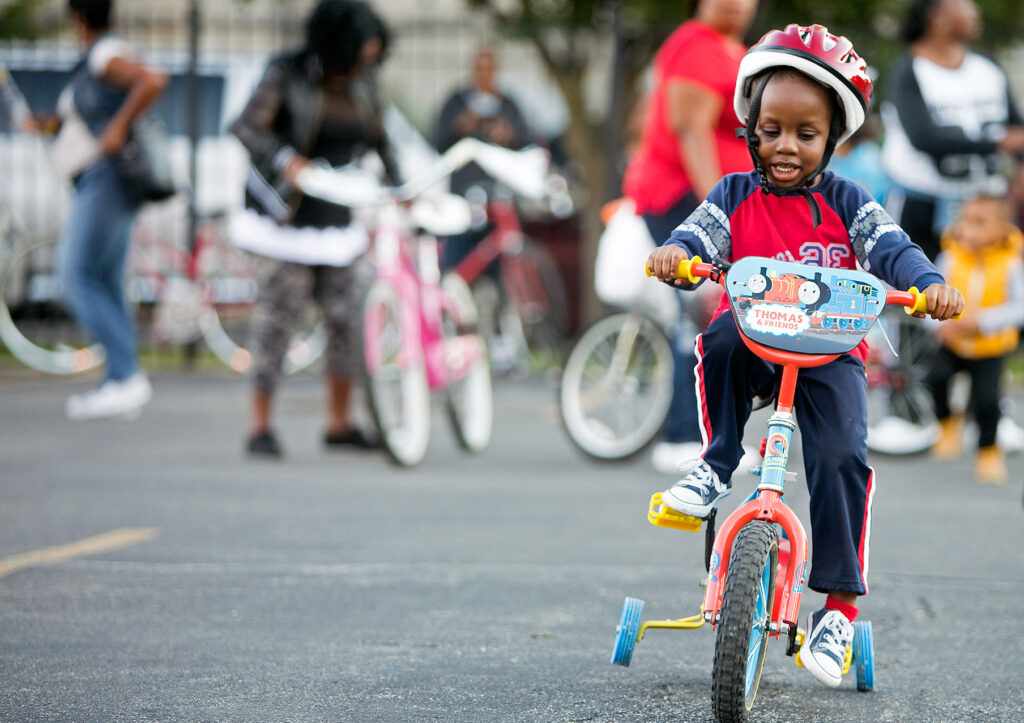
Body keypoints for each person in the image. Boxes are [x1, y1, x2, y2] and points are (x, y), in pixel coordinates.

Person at [646, 25, 964, 688]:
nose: (786, 145)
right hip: (760, 339)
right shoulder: (733, 195)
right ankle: (717, 462)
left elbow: (894, 250)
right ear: (751, 129)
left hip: (829, 352)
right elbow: (694, 236)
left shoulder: (850, 203)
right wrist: (677, 255)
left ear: (832, 139)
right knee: (722, 338)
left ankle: (839, 608)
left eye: (806, 132)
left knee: (842, 453)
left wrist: (928, 282)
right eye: (772, 128)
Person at [230, 0, 398, 458]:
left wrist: (401, 186)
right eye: (362, 53)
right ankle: (260, 426)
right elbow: (246, 128)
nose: (368, 62)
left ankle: (339, 424)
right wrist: (287, 161)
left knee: (348, 319)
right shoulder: (287, 73)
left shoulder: (364, 84)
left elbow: (382, 140)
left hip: (336, 222)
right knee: (278, 322)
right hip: (284, 219)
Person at [620, 0, 759, 474]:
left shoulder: (732, 50)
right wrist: (716, 212)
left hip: (713, 201)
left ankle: (716, 433)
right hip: (683, 198)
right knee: (697, 312)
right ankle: (683, 433)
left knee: (725, 311)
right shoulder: (695, 46)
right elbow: (691, 130)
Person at [46, 0, 166, 420]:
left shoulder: (103, 54)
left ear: (78, 19)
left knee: (76, 274)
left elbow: (153, 80)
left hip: (107, 179)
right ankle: (120, 379)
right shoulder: (102, 56)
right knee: (108, 281)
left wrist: (117, 129)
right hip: (106, 180)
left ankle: (126, 375)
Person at [880, 0, 1024, 262]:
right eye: (966, 6)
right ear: (939, 18)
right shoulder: (910, 70)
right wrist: (996, 143)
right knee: (919, 290)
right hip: (922, 206)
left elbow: (1016, 128)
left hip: (983, 207)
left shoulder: (987, 66)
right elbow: (923, 137)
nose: (975, 13)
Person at [925, 195, 1024, 482]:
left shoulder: (1011, 264)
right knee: (936, 377)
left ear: (1002, 228)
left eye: (980, 223)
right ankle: (946, 423)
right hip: (952, 340)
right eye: (965, 220)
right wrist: (938, 325)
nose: (969, 229)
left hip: (990, 347)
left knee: (987, 401)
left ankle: (988, 450)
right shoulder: (950, 256)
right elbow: (933, 293)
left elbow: (1018, 307)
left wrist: (981, 322)